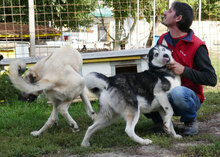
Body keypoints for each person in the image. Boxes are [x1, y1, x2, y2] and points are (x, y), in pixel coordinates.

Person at [146, 1, 217, 136]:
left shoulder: (197, 45)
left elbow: (211, 79)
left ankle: (190, 120)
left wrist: (184, 70)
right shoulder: (162, 39)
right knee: (143, 89)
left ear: (178, 18)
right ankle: (163, 122)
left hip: (186, 98)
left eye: (169, 11)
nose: (164, 13)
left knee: (178, 92)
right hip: (165, 92)